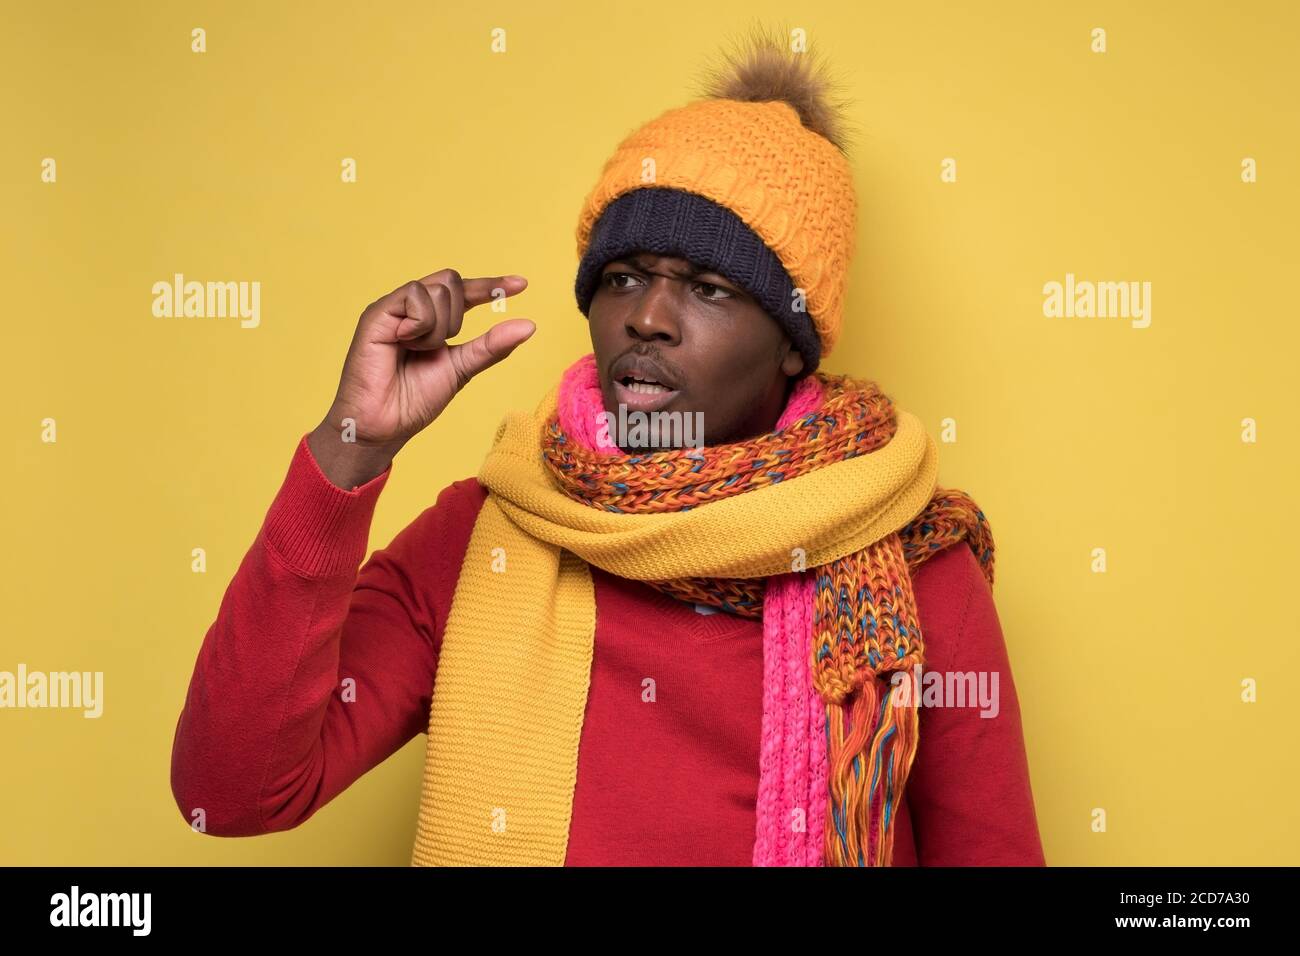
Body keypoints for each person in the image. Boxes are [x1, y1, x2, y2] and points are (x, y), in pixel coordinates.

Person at [170, 30, 1045, 867]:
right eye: (623, 277)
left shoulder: (910, 572)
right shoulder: (491, 535)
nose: (646, 318)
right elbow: (234, 791)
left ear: (791, 342)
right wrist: (350, 448)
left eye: (706, 287)